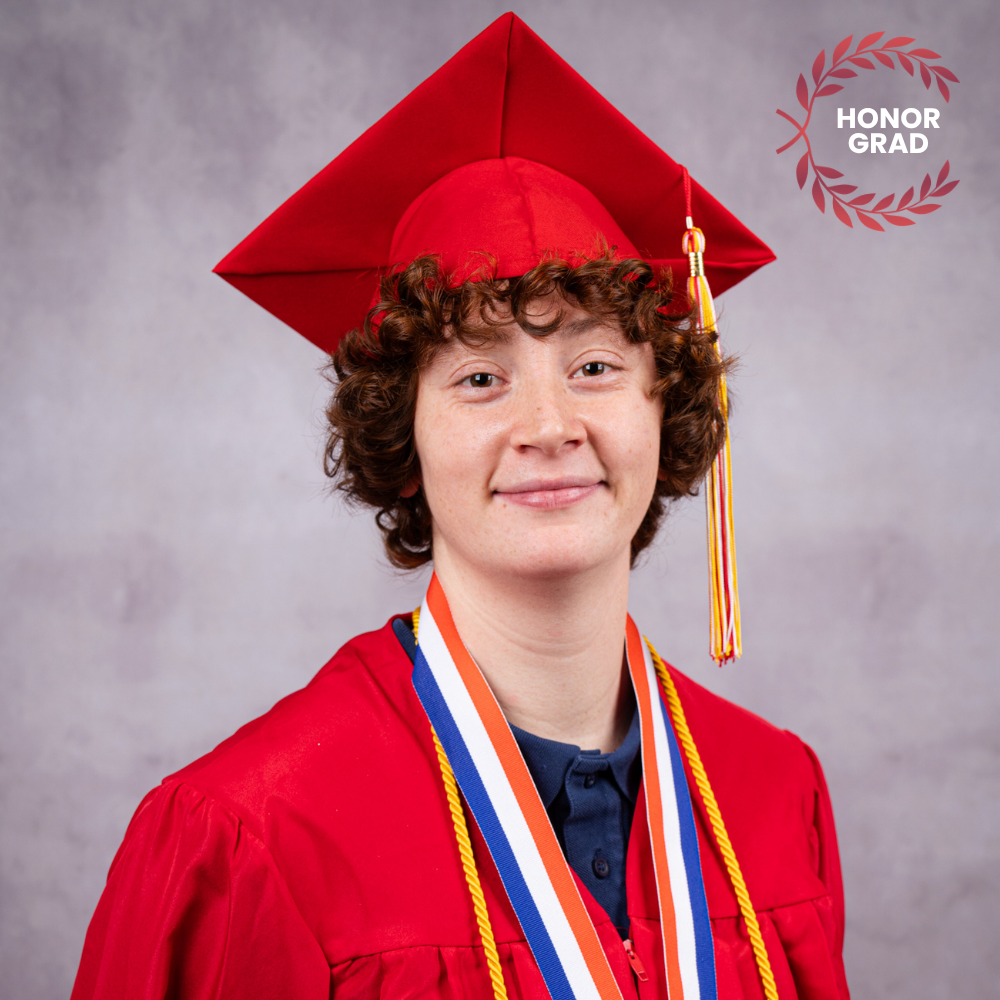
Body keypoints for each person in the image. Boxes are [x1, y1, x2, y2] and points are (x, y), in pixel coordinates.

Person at [71, 13, 849, 1000]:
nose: (550, 423)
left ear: (669, 409)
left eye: (596, 365)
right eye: (479, 379)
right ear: (404, 444)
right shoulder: (252, 834)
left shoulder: (772, 797)